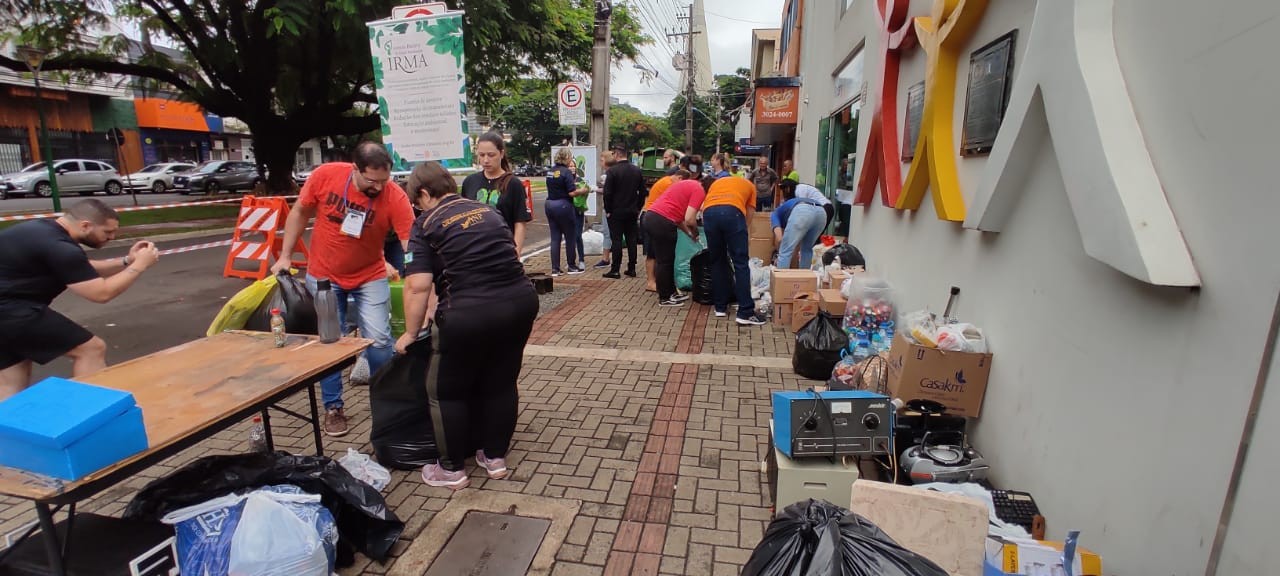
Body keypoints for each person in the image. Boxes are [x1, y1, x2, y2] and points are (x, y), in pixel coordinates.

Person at [396, 162, 539, 490]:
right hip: (519, 304)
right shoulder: (487, 211)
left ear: (423, 194)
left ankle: (451, 470)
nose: (417, 208)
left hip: (467, 312)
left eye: (416, 202)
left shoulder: (426, 222)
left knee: (445, 392)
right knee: (501, 383)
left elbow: (417, 286)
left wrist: (408, 333)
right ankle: (494, 458)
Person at [271, 141, 415, 436]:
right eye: (371, 180)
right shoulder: (326, 176)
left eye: (384, 180)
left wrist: (416, 273)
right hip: (324, 276)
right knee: (330, 342)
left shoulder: (394, 195)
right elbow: (300, 212)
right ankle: (333, 408)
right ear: (355, 169)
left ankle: (386, 401)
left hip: (370, 275)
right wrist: (285, 255)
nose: (378, 187)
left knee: (379, 339)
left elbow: (410, 241)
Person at [0, 200, 160, 400]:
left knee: (12, 377)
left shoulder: (42, 231)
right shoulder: (60, 247)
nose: (112, 237)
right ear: (85, 225)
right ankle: (87, 413)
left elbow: (81, 266)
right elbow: (101, 294)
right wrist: (140, 266)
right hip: (11, 311)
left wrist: (127, 261)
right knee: (91, 349)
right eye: (107, 232)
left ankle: (7, 427)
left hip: (8, 310)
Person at [701, 175, 769, 325]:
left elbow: (706, 204)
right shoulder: (750, 187)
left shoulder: (718, 183)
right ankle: (745, 312)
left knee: (717, 260)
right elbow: (749, 215)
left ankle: (720, 307)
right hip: (732, 212)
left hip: (709, 213)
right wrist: (742, 234)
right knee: (741, 263)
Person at [461, 132, 532, 256]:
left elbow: (520, 222)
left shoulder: (513, 184)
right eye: (481, 155)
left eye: (491, 155)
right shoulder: (470, 182)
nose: (486, 160)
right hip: (474, 252)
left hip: (503, 252)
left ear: (501, 154)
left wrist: (516, 253)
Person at [641, 179, 705, 307]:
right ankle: (665, 297)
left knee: (667, 260)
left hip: (652, 217)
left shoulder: (688, 185)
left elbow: (679, 219)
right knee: (665, 261)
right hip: (662, 222)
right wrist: (695, 232)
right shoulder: (699, 190)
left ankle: (671, 293)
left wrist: (689, 234)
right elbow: (689, 219)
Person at [640, 168, 690, 292]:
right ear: (679, 178)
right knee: (652, 253)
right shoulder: (669, 184)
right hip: (653, 218)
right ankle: (651, 282)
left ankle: (659, 281)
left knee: (658, 254)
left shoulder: (667, 181)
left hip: (654, 217)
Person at [601, 144, 645, 279]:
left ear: (617, 154)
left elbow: (607, 193)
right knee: (632, 239)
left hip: (616, 211)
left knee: (617, 240)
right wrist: (638, 207)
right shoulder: (636, 170)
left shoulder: (612, 172)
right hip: (632, 210)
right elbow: (642, 192)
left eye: (613, 154)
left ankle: (615, 269)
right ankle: (632, 268)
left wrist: (608, 209)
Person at [545, 149, 586, 276]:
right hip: (563, 205)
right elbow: (571, 192)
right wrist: (582, 190)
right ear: (567, 158)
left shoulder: (550, 171)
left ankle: (555, 269)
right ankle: (571, 266)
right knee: (570, 236)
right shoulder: (566, 172)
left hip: (550, 204)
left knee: (555, 238)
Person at [772, 182, 828, 269]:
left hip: (802, 211)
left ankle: (781, 281)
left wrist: (778, 256)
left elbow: (779, 238)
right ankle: (804, 279)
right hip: (821, 212)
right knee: (806, 249)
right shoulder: (788, 208)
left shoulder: (774, 214)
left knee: (785, 251)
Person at [591, 153, 616, 269]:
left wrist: (596, 189)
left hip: (610, 209)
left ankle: (606, 259)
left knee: (607, 233)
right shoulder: (617, 172)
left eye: (601, 160)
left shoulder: (609, 174)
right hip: (621, 208)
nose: (600, 163)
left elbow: (608, 191)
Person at [569, 158, 589, 270]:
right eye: (570, 166)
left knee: (577, 235)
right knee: (570, 237)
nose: (572, 168)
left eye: (573, 166)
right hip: (567, 211)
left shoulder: (579, 179)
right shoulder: (565, 179)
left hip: (578, 211)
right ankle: (571, 260)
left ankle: (581, 260)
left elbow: (585, 191)